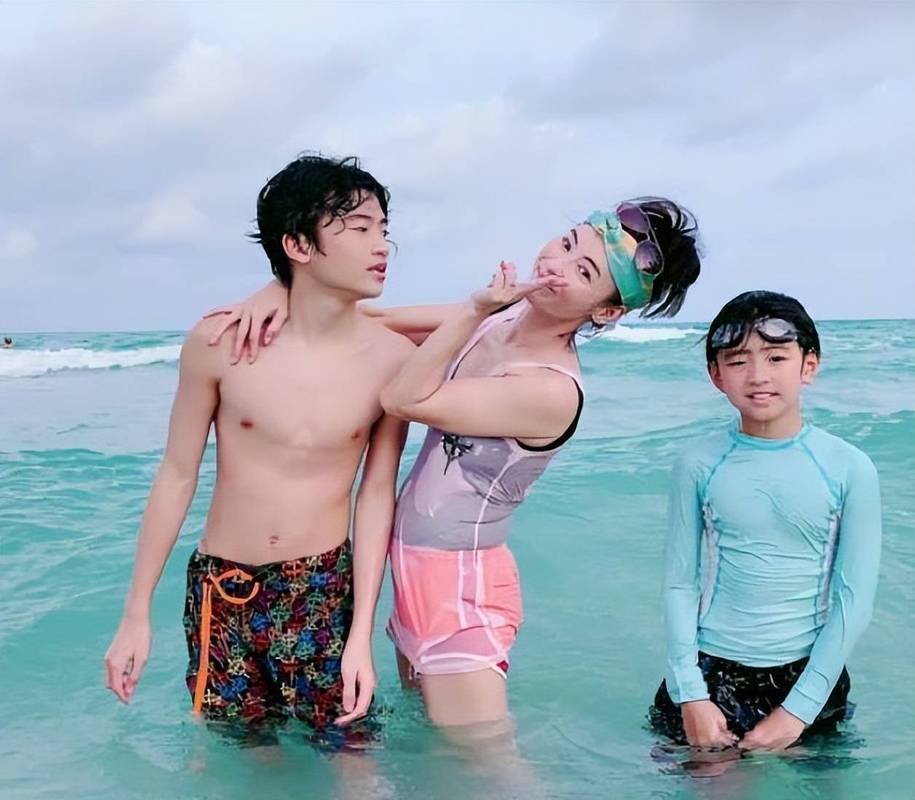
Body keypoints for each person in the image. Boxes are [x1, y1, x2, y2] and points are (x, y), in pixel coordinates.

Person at [209, 199, 702, 730]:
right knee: (434, 755)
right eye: (565, 244)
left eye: (583, 272)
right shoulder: (503, 317)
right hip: (416, 576)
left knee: (483, 765)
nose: (556, 266)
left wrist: (472, 310)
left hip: (462, 591)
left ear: (606, 312)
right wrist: (275, 292)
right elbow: (378, 320)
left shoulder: (550, 388)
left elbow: (403, 398)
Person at [103, 154, 415, 746]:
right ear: (298, 245)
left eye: (384, 228)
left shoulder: (393, 360)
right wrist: (135, 613)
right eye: (359, 228)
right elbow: (177, 474)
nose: (382, 246)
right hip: (222, 589)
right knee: (246, 759)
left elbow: (376, 495)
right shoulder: (219, 342)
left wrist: (361, 637)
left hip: (322, 587)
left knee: (352, 754)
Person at [649, 290, 882, 756]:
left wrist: (799, 710)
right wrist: (690, 692)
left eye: (776, 357)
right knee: (711, 781)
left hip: (808, 675)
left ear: (808, 365)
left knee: (812, 786)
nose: (758, 375)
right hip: (713, 673)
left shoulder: (849, 467)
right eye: (738, 361)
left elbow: (853, 600)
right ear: (716, 375)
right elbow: (680, 582)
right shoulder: (698, 462)